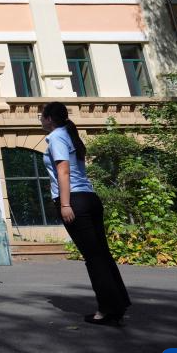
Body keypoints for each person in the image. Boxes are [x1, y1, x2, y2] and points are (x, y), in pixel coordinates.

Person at [41, 101, 131, 326]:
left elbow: (63, 171)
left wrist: (64, 204)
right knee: (102, 254)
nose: (40, 120)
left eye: (41, 116)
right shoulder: (70, 135)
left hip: (74, 201)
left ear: (49, 119)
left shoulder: (56, 137)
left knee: (93, 258)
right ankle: (118, 304)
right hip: (89, 198)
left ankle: (107, 310)